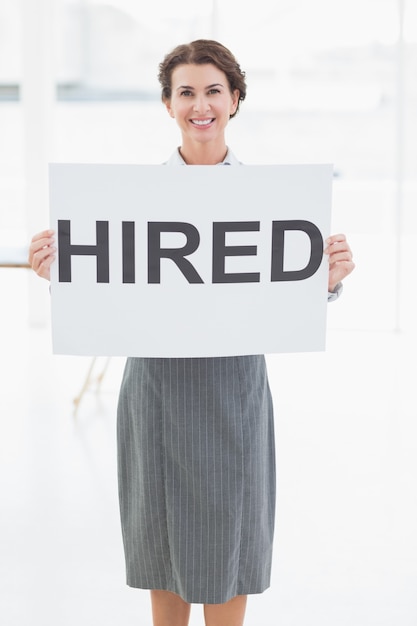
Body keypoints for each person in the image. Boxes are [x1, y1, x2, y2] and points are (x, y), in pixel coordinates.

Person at [28, 39, 355, 626]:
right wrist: (62, 272)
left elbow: (284, 298)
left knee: (229, 547)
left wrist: (324, 280)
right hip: (157, 390)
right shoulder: (130, 203)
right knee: (162, 549)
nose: (199, 104)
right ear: (167, 104)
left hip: (233, 394)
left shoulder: (274, 203)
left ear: (234, 99)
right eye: (186, 92)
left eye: (212, 91)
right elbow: (110, 292)